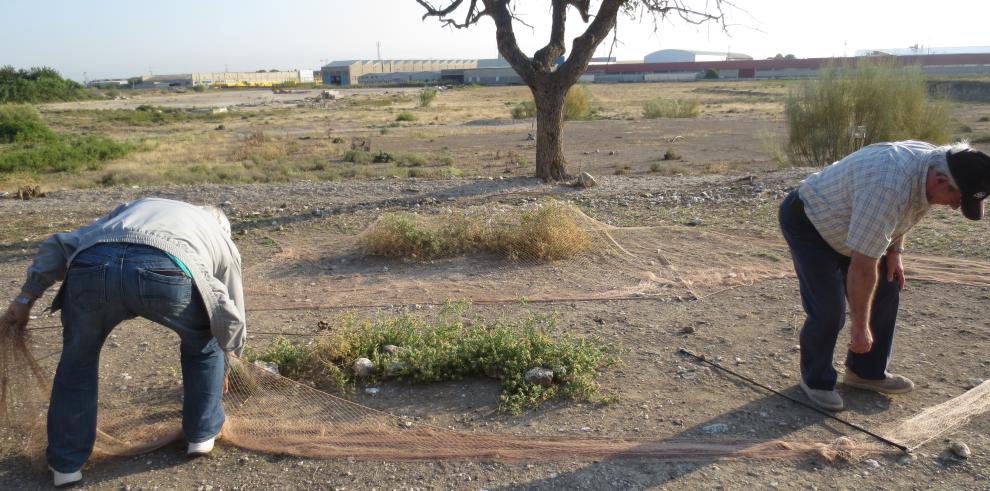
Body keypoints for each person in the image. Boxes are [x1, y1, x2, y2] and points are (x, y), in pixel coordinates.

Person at [0, 198, 246, 487]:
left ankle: (66, 465)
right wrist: (231, 357)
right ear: (223, 228)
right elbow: (230, 310)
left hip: (91, 268)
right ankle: (201, 435)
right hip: (166, 273)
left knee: (77, 362)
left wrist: (25, 298)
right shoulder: (219, 237)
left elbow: (59, 244)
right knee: (204, 343)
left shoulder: (131, 210)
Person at [779, 141, 990, 411]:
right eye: (956, 200)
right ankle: (816, 380)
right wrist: (859, 327)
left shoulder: (933, 165)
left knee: (887, 286)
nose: (952, 208)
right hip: (811, 222)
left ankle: (865, 372)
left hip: (856, 220)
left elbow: (907, 209)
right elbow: (862, 266)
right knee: (829, 310)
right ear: (939, 181)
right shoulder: (887, 187)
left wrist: (895, 251)